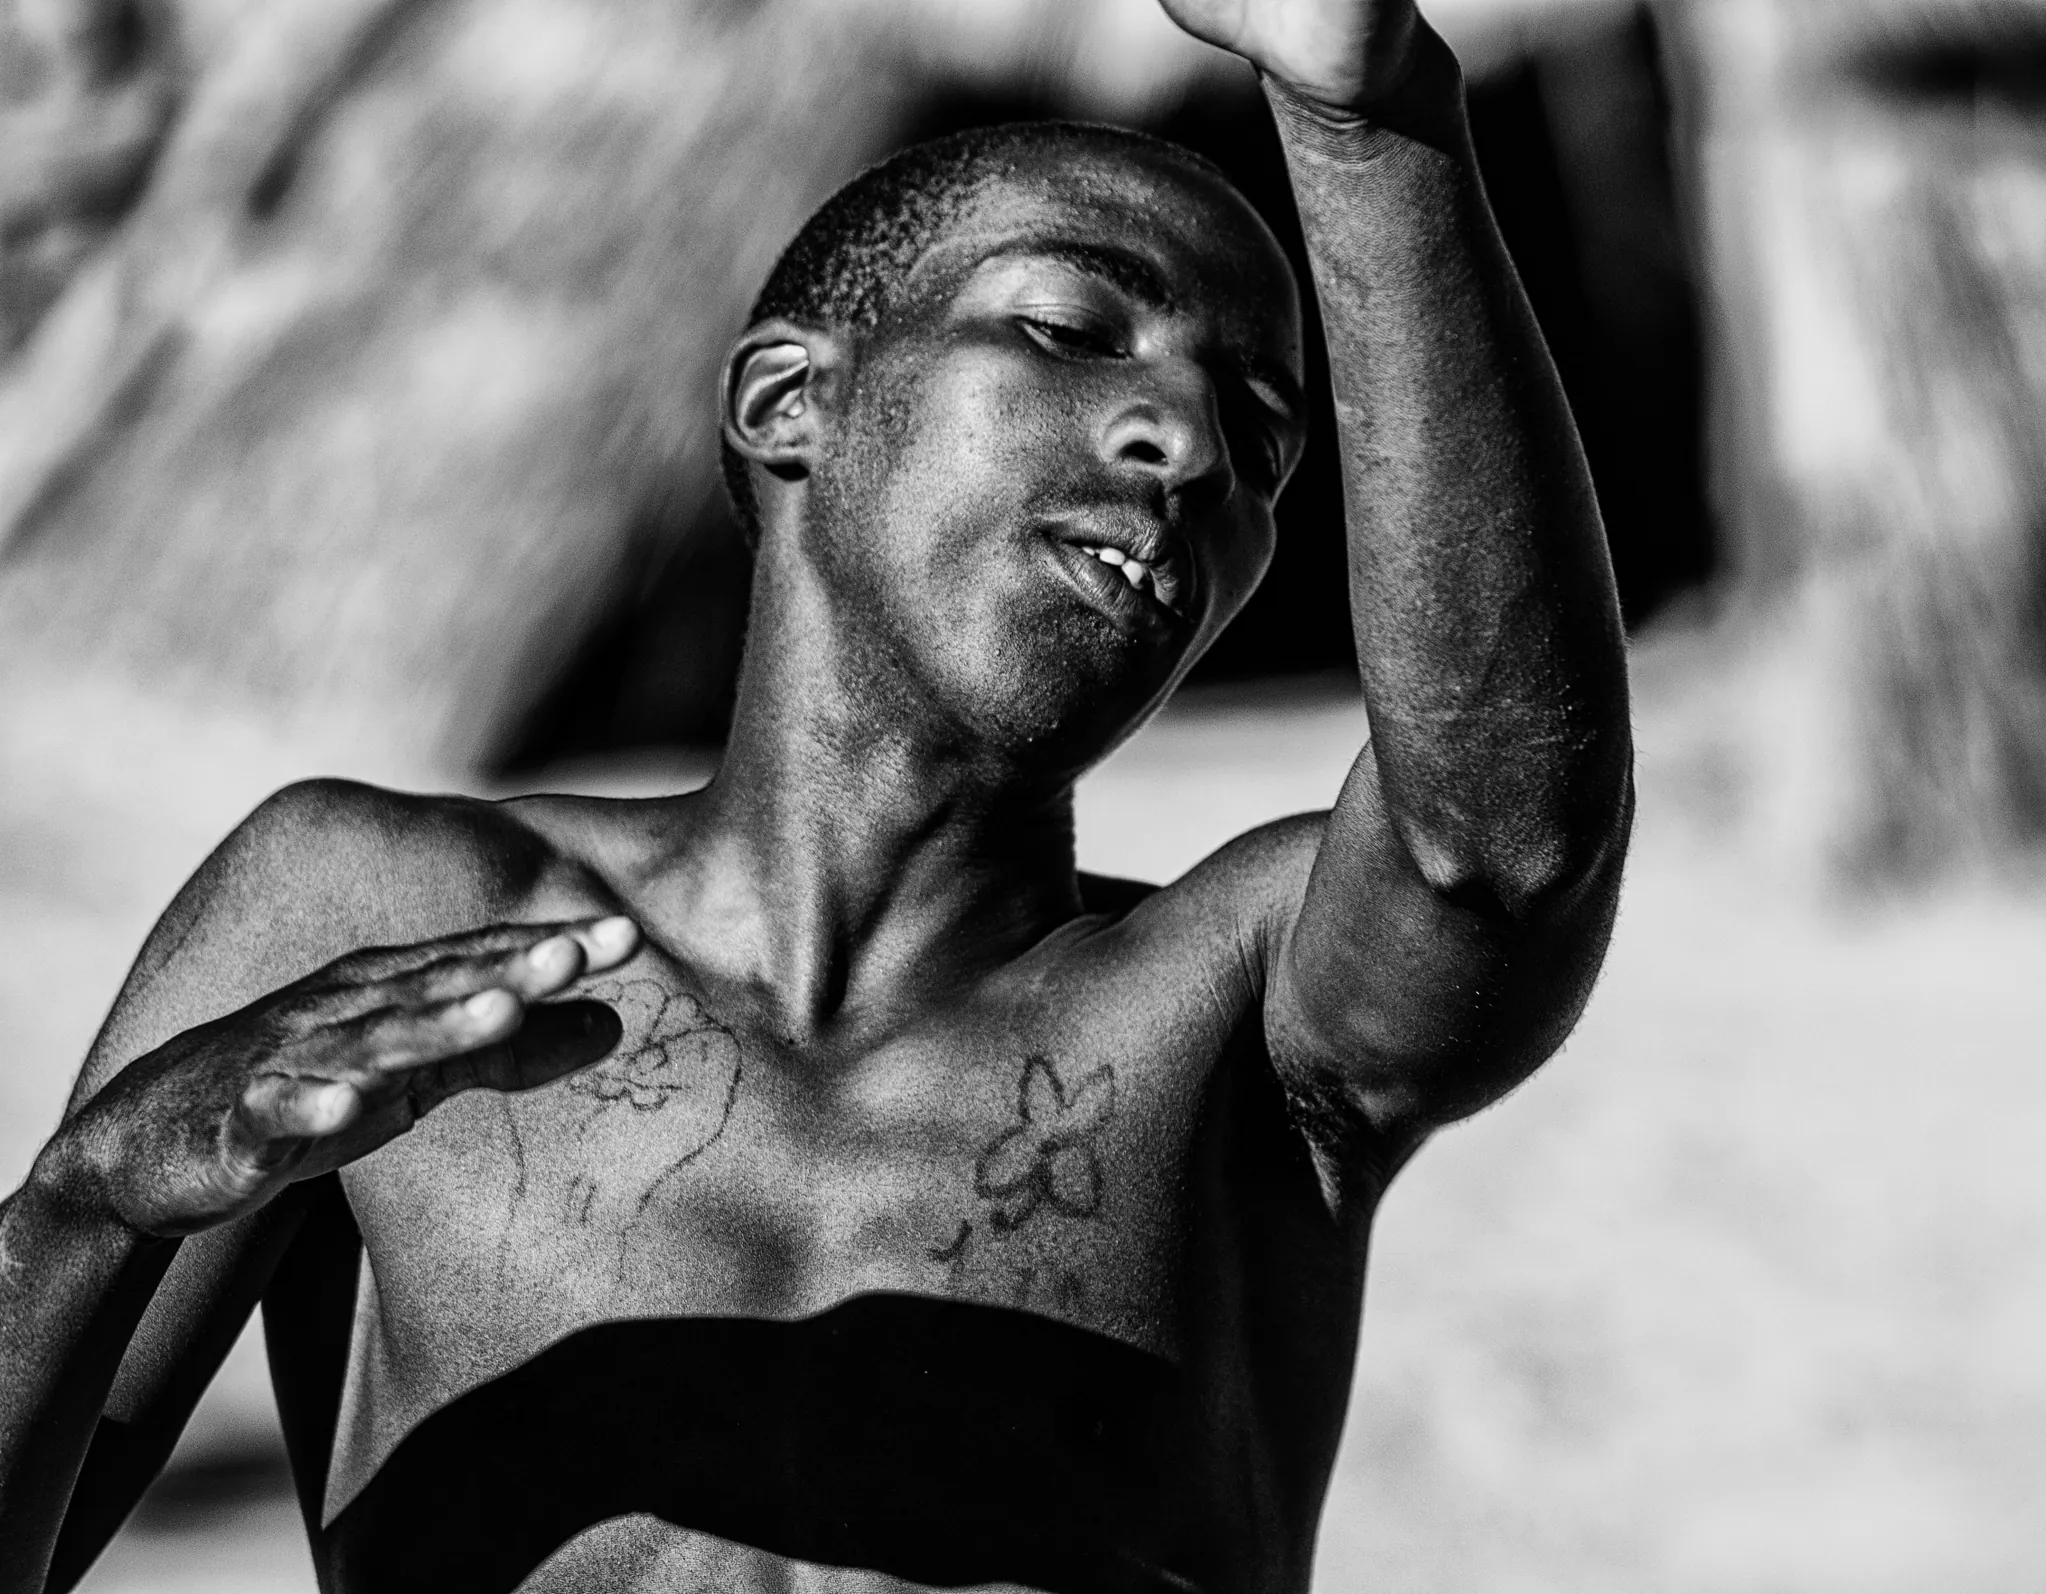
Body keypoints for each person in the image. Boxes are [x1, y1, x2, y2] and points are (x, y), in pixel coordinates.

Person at [0, 0, 1633, 1588]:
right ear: (794, 404)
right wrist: (88, 1204)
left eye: (1263, 442)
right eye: (1072, 329)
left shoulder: (1237, 1014)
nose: (1191, 442)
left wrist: (1371, 123)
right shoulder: (375, 911)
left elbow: (1495, 848)